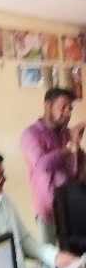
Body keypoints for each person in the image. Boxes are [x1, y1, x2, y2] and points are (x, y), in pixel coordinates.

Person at [21, 88, 86, 253]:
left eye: (70, 108)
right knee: (50, 258)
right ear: (48, 106)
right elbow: (42, 166)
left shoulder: (67, 134)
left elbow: (75, 171)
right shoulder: (31, 134)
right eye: (63, 107)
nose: (68, 113)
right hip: (47, 211)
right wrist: (70, 147)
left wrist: (78, 149)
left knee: (72, 255)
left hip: (70, 207)